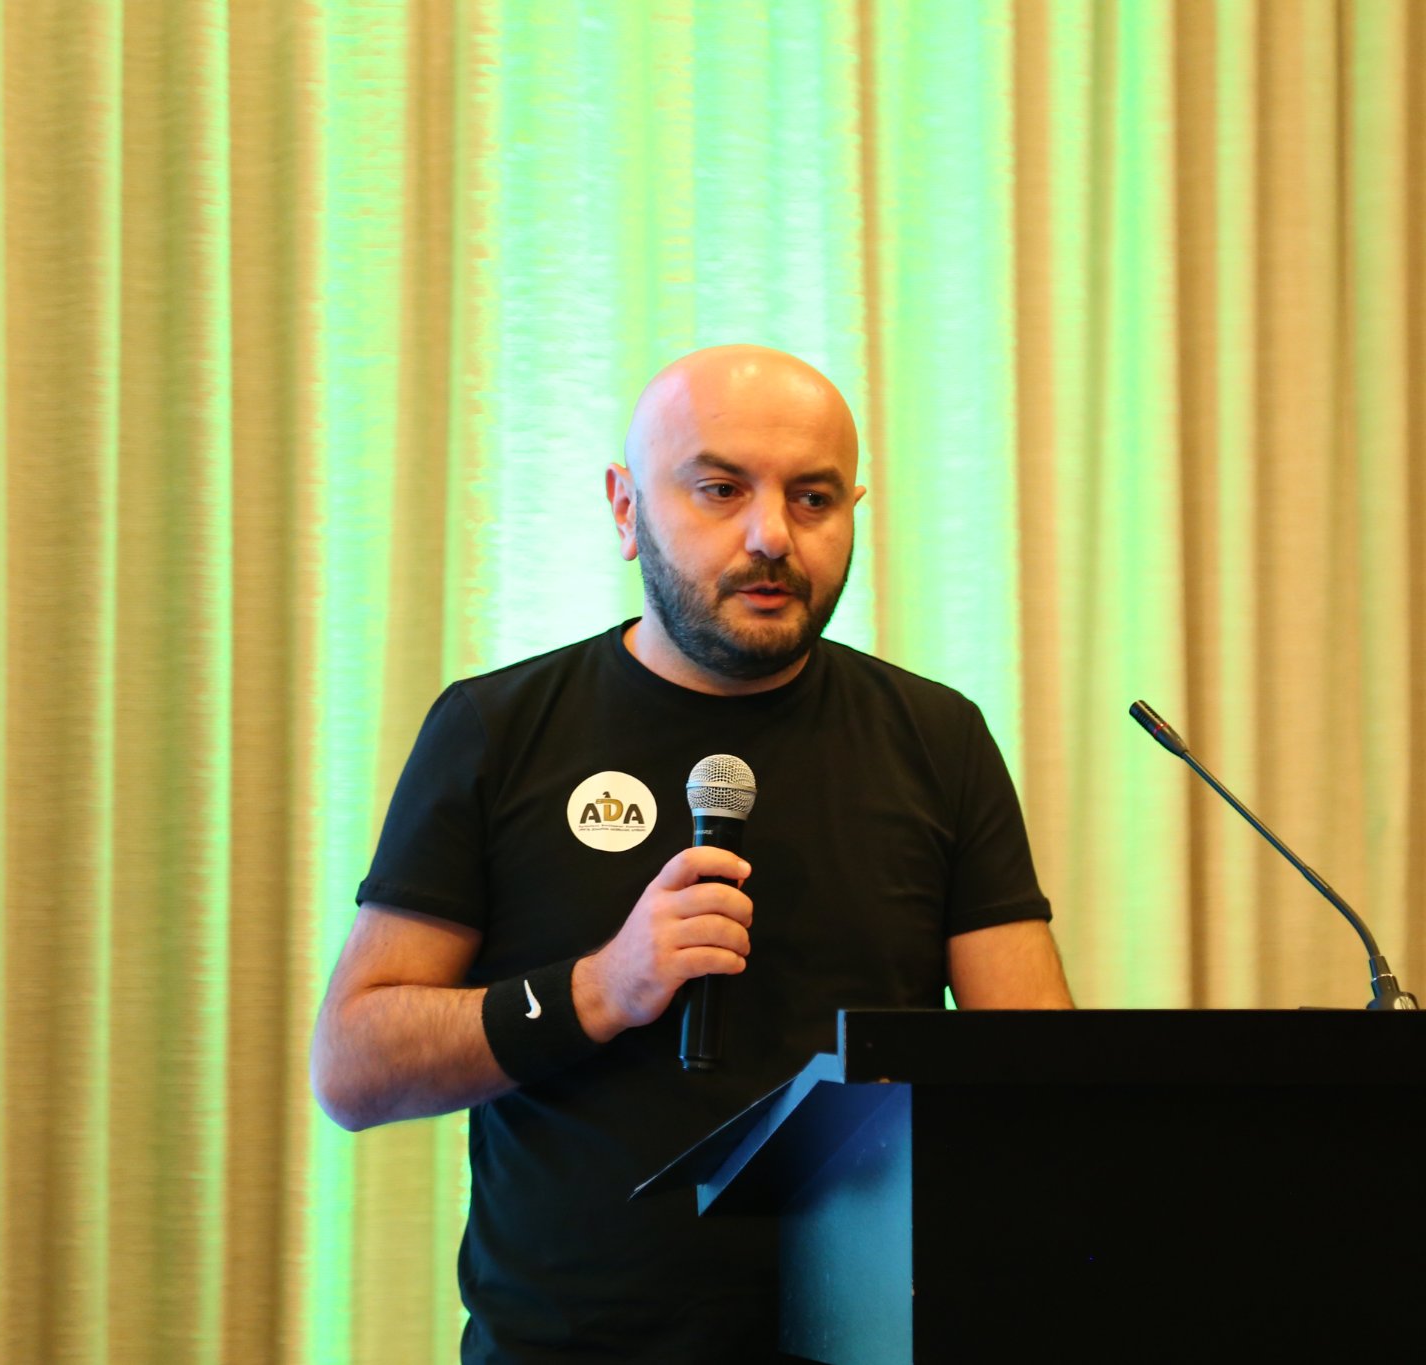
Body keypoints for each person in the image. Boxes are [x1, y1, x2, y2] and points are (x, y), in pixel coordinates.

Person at [310, 344, 1074, 1363]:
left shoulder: (937, 740)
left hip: (870, 1339)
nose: (771, 536)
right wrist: (600, 988)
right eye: (720, 489)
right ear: (626, 508)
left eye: (812, 499)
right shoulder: (499, 730)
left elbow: (1038, 1078)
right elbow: (354, 1066)